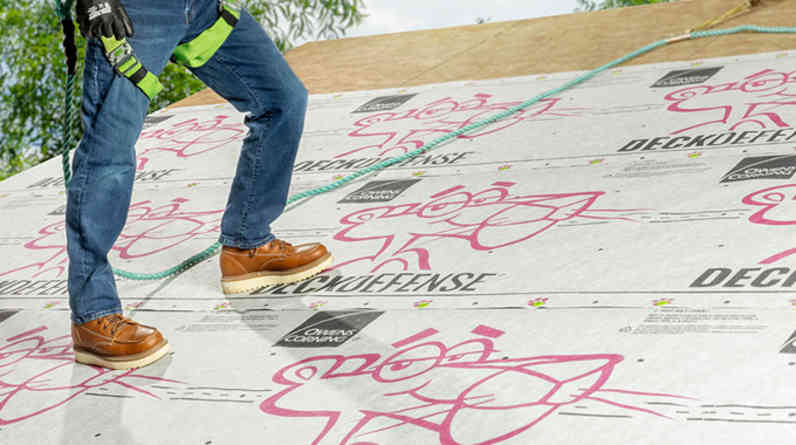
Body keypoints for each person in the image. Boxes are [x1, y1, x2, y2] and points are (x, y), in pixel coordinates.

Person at [68, 0, 332, 370]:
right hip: (136, 14)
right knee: (108, 154)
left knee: (282, 100)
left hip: (204, 7)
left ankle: (247, 245)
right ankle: (93, 315)